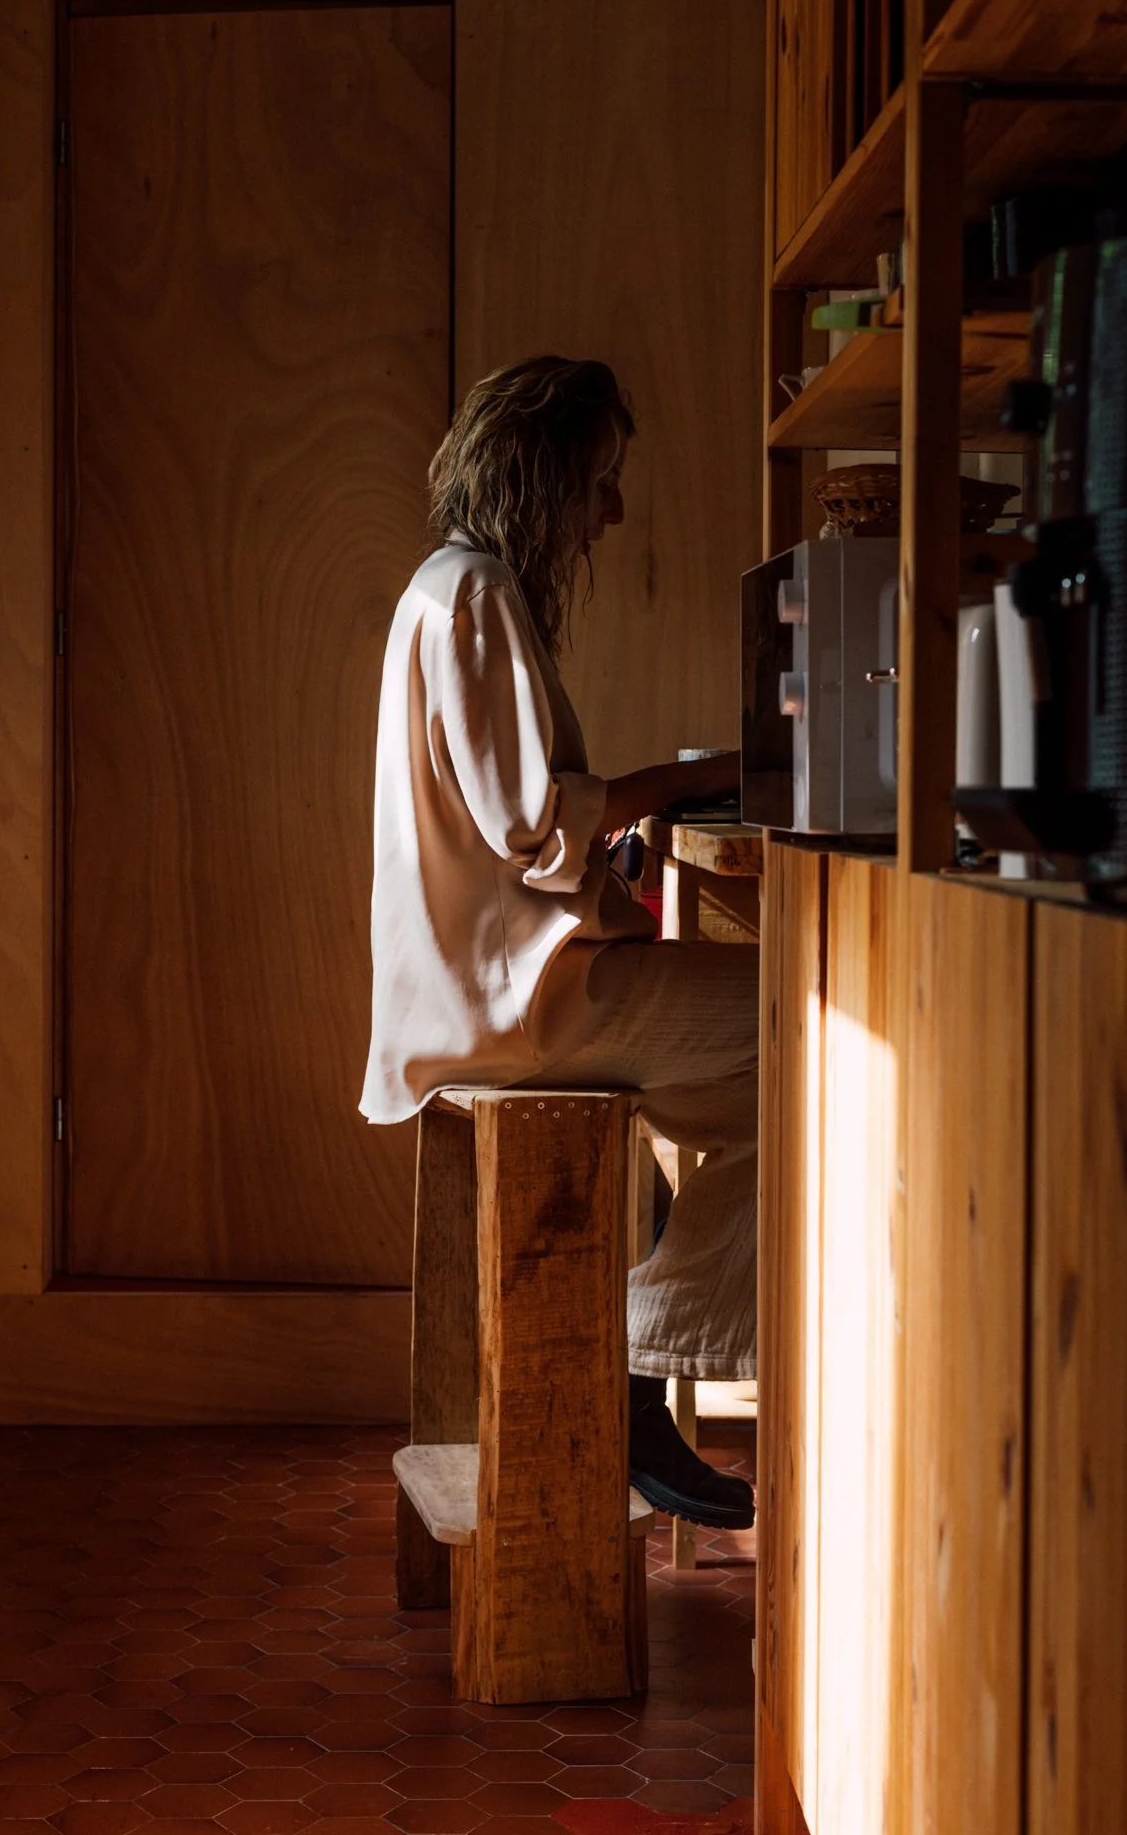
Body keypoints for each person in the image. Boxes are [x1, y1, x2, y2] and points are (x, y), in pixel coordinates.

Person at [359, 355, 758, 1529]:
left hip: (475, 987)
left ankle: (638, 1366)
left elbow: (509, 837)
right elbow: (533, 817)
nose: (613, 510)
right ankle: (633, 1378)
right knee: (795, 1027)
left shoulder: (447, 589)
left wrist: (612, 852)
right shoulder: (474, 592)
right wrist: (708, 773)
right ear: (543, 477)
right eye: (601, 481)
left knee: (747, 1087)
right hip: (507, 1008)